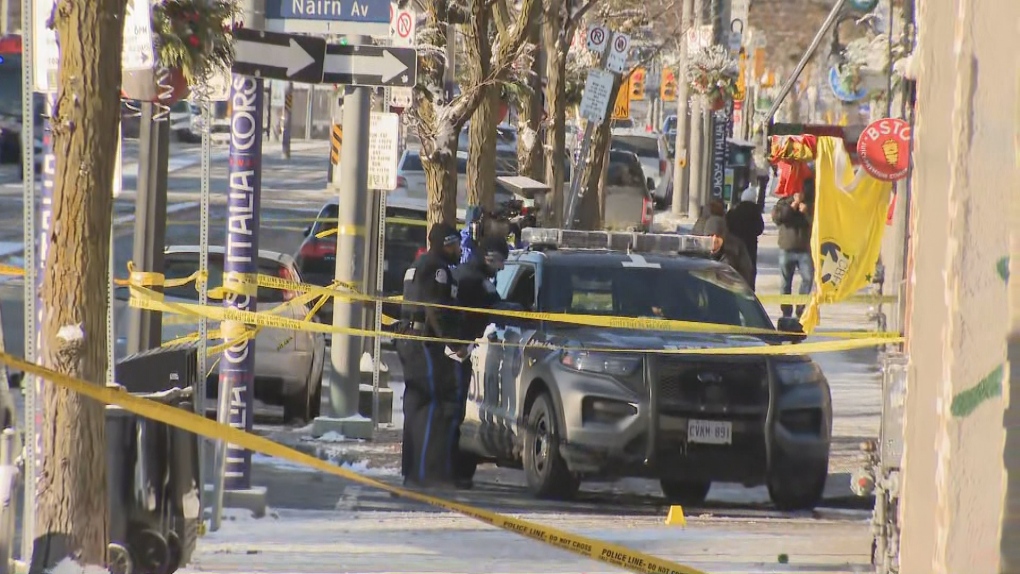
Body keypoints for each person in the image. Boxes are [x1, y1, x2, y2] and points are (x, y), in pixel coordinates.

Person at [395, 222, 467, 489]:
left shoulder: (416, 265)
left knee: (415, 406)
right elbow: (436, 309)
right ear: (445, 244)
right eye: (455, 244)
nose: (458, 249)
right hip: (424, 344)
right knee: (430, 405)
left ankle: (412, 473)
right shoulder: (437, 269)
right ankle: (427, 474)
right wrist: (453, 343)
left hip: (410, 340)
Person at [449, 235, 509, 487]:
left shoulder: (469, 274)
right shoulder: (476, 280)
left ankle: (450, 470)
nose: (502, 268)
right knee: (453, 412)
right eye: (500, 263)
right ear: (489, 258)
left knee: (453, 411)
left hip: (458, 348)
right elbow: (499, 307)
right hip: (458, 351)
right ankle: (452, 471)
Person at [771, 186, 815, 319]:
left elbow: (817, 222)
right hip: (787, 248)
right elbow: (778, 218)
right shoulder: (784, 202)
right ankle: (786, 311)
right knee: (785, 282)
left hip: (804, 248)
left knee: (808, 278)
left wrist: (806, 211)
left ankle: (800, 308)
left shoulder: (811, 203)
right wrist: (793, 206)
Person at [725, 186, 766, 289]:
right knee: (750, 268)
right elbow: (759, 229)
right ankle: (750, 290)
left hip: (734, 245)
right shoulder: (755, 212)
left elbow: (727, 226)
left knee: (735, 268)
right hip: (750, 245)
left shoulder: (734, 211)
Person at [702, 216, 755, 286]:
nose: (714, 240)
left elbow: (746, 274)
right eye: (711, 235)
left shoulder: (736, 250)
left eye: (718, 236)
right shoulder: (699, 253)